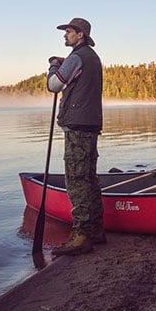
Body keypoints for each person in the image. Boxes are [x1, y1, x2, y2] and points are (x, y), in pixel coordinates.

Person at [46, 17, 104, 256]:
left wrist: (53, 65)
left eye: (68, 32)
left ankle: (81, 236)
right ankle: (96, 230)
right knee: (89, 178)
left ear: (80, 35)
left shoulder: (77, 57)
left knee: (76, 181)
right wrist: (64, 62)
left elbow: (54, 85)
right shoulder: (92, 57)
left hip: (77, 126)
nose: (65, 36)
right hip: (90, 125)